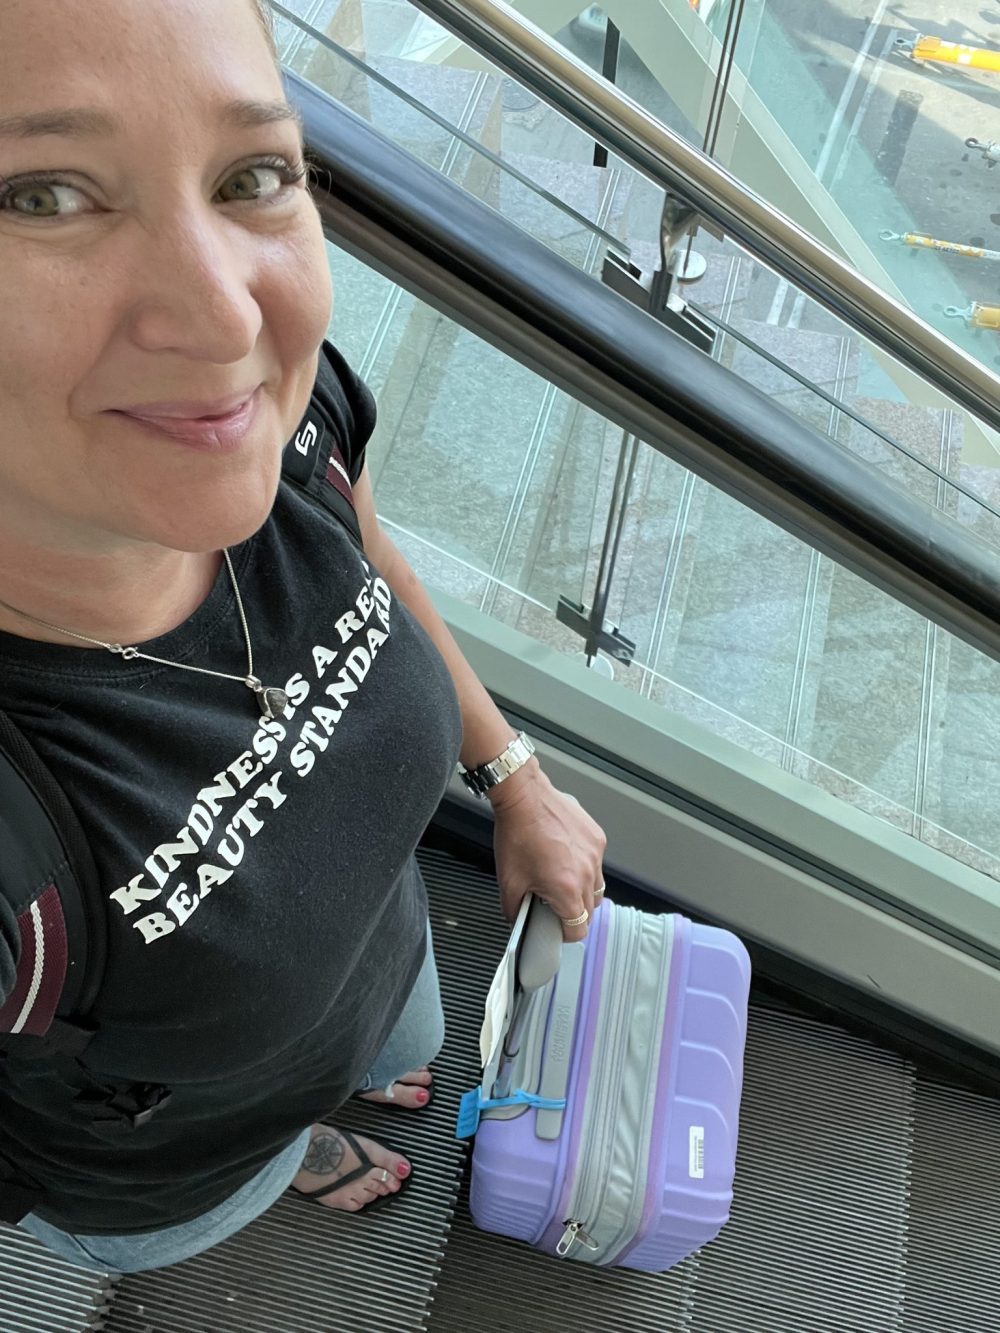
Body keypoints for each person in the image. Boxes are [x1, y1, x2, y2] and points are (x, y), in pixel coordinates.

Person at [0, 0, 606, 1277]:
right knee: (256, 1152)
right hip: (178, 1157)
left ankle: (350, 1089)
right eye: (42, 195)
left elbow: (369, 555)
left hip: (381, 966)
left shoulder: (277, 424)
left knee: (393, 1044)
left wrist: (512, 774)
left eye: (253, 175)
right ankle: (292, 1160)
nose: (229, 324)